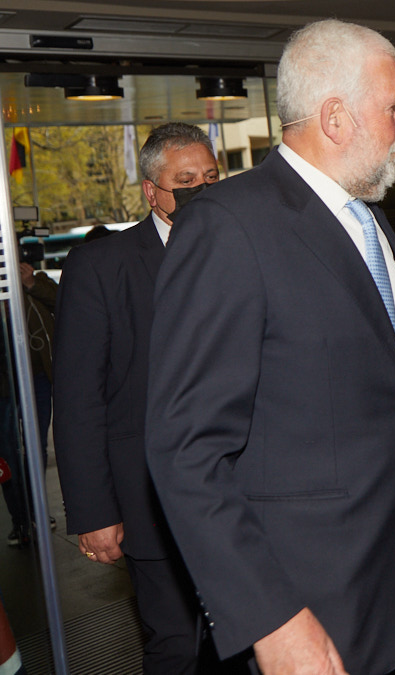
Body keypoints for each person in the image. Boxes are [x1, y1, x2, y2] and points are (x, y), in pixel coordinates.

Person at [144, 19, 395, 675]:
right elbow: (185, 448)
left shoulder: (368, 222)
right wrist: (271, 621)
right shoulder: (229, 225)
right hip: (311, 603)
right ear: (336, 117)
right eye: (394, 105)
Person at [54, 123, 221, 674]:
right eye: (185, 180)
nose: (201, 189)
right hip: (151, 496)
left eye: (210, 177)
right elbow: (79, 398)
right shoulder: (101, 266)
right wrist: (94, 511)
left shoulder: (242, 252)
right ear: (152, 191)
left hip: (241, 490)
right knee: (177, 644)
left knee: (247, 639)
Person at [3, 262, 56, 548]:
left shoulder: (36, 281)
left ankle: (36, 510)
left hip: (37, 378)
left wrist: (31, 283)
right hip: (4, 386)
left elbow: (62, 301)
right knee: (8, 453)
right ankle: (20, 518)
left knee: (36, 447)